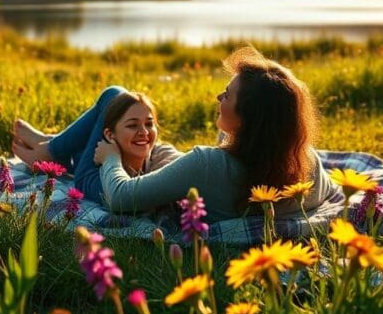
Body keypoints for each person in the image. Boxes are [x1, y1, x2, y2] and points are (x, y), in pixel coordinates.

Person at [93, 46, 338, 223]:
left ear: (248, 118)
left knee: (110, 98)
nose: (218, 98)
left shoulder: (207, 165)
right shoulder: (306, 161)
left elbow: (121, 197)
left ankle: (56, 149)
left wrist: (111, 156)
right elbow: (328, 192)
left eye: (227, 95)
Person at [11, 87, 182, 203]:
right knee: (115, 93)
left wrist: (112, 157)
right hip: (91, 155)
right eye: (132, 125)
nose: (144, 132)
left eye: (149, 124)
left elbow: (188, 163)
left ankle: (52, 148)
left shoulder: (161, 155)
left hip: (82, 162)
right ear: (108, 135)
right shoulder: (102, 170)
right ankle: (52, 148)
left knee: (114, 92)